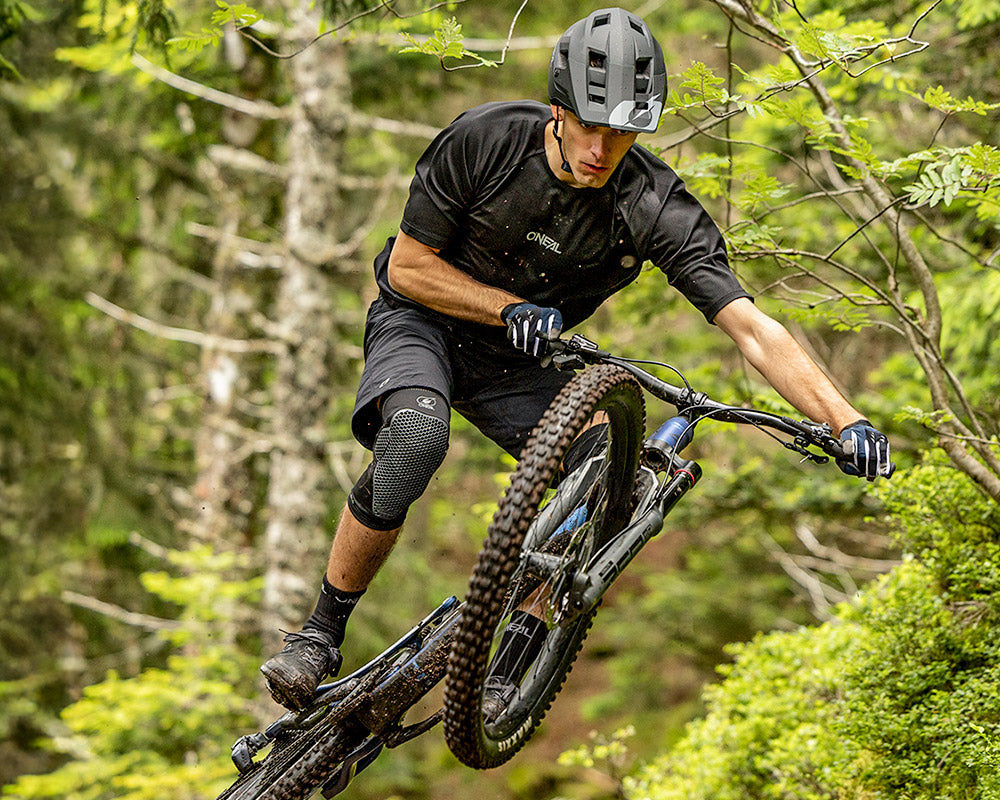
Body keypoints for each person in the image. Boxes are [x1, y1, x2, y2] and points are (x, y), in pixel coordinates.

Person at [260, 7, 893, 711]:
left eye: (623, 132)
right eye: (590, 124)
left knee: (611, 479)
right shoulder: (486, 141)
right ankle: (318, 635)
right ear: (558, 109)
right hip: (424, 324)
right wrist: (505, 307)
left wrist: (846, 419)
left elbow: (750, 328)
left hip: (522, 366)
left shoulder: (652, 202)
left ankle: (517, 662)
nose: (602, 146)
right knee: (413, 441)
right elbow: (407, 268)